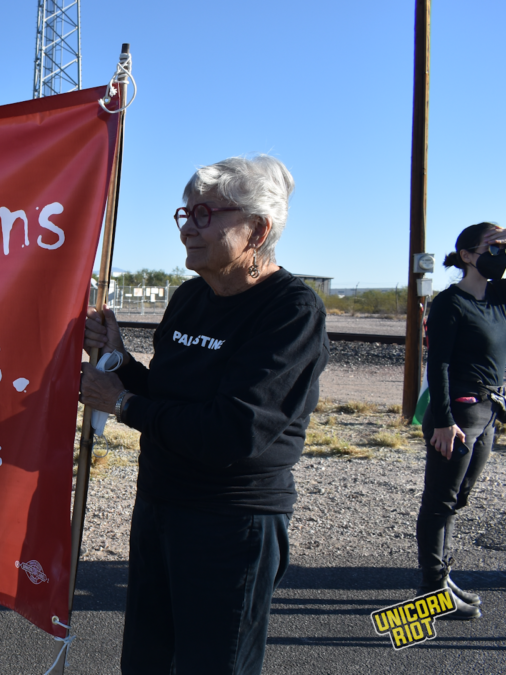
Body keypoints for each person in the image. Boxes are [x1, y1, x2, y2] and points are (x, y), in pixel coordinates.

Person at [81, 155, 328, 675]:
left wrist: (121, 403)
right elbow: (171, 396)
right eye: (185, 215)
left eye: (205, 216)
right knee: (147, 662)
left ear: (257, 229)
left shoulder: (291, 310)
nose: (188, 231)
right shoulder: (190, 297)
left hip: (231, 521)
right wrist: (121, 361)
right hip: (159, 505)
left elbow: (233, 430)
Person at [414, 222, 506, 620]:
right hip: (458, 413)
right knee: (439, 502)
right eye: (493, 246)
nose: (499, 253)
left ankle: (443, 578)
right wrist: (443, 422)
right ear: (467, 255)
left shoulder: (500, 297)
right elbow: (438, 364)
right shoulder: (451, 303)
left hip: (489, 412)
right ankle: (431, 591)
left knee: (459, 499)